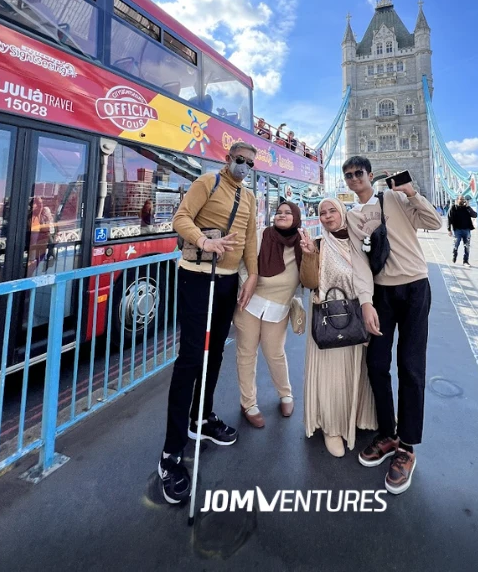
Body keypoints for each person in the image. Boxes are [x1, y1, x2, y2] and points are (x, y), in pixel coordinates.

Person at [157, 141, 259, 505]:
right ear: (227, 159)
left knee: (215, 353)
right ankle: (171, 454)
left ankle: (201, 418)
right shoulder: (207, 182)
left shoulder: (250, 198)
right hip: (198, 276)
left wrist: (252, 276)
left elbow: (249, 240)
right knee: (190, 360)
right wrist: (203, 240)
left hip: (229, 280)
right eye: (239, 160)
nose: (243, 166)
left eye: (249, 162)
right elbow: (180, 218)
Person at [343, 156, 441, 494]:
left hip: (415, 286)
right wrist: (366, 302)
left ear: (371, 176)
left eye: (359, 173)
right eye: (348, 175)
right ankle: (388, 432)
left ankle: (407, 447)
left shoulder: (396, 199)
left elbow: (434, 222)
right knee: (377, 363)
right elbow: (359, 262)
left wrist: (412, 192)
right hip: (382, 293)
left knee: (411, 366)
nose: (354, 179)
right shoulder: (352, 216)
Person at [299, 197, 377, 457]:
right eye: (322, 213)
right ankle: (332, 427)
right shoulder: (319, 244)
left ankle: (357, 417)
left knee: (360, 371)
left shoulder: (360, 242)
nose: (328, 216)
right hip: (331, 320)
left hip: (360, 317)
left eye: (333, 210)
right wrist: (309, 255)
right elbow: (309, 282)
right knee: (332, 377)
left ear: (343, 213)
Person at [234, 201, 303, 428]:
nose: (282, 215)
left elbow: (311, 275)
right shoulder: (262, 235)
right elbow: (245, 261)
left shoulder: (303, 243)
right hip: (250, 303)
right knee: (247, 353)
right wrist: (245, 284)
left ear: (296, 217)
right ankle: (249, 403)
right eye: (278, 212)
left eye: (287, 213)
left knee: (275, 353)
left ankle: (285, 394)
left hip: (279, 307)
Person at [447, 195, 477, 266]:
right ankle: (455, 254)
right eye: (461, 199)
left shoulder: (466, 208)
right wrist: (449, 230)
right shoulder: (453, 208)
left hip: (466, 230)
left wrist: (468, 207)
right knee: (456, 244)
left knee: (467, 246)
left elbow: (475, 215)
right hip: (457, 230)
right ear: (457, 200)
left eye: (463, 199)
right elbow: (449, 219)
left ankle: (465, 261)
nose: (463, 201)